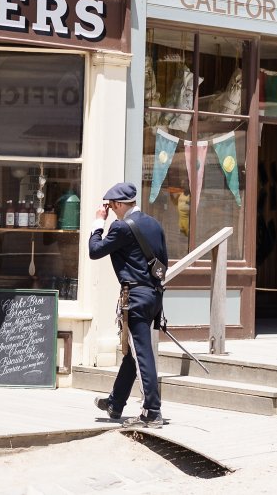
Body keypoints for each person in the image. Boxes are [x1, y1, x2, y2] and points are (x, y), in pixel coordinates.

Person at [88, 182, 167, 428]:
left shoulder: (121, 227)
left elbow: (94, 250)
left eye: (111, 206)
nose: (110, 209)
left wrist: (98, 223)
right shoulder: (154, 223)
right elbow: (163, 263)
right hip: (153, 296)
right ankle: (116, 403)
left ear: (121, 204)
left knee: (143, 356)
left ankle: (152, 412)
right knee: (134, 355)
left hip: (135, 296)